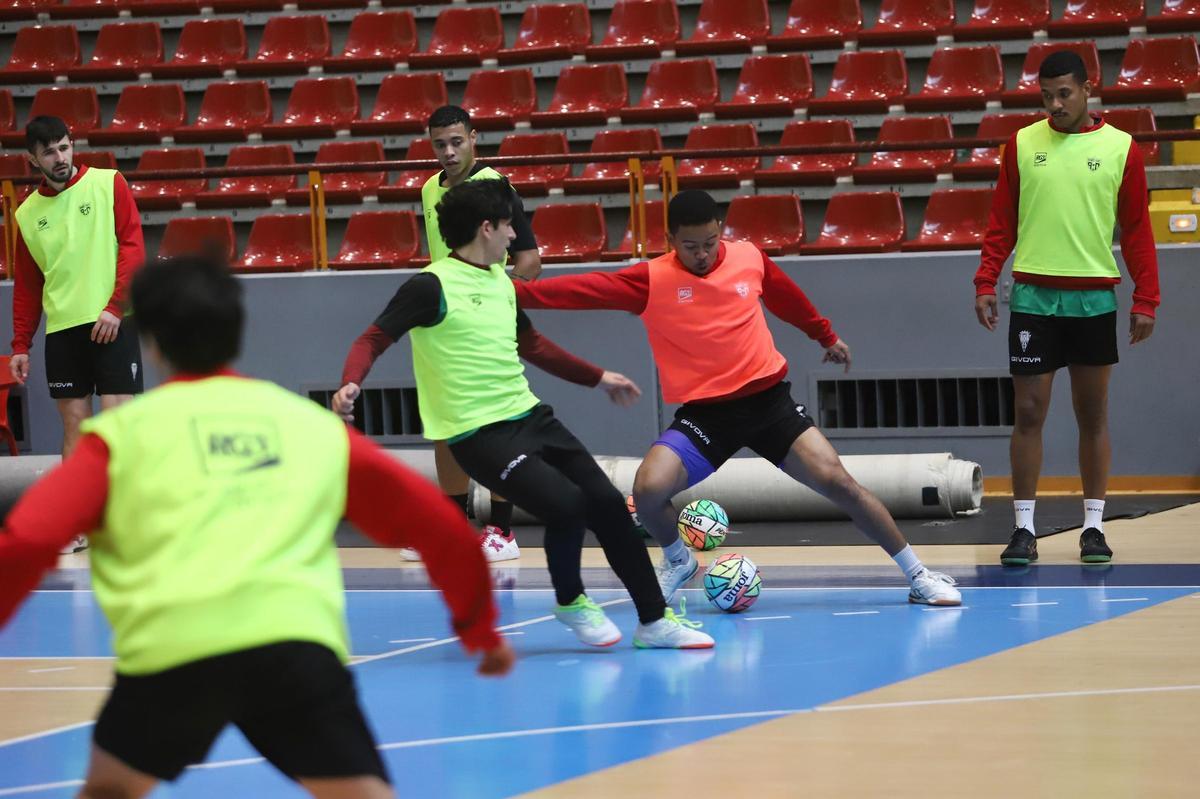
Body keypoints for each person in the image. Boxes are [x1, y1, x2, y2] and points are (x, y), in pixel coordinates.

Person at [0, 253, 514, 797]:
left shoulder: (119, 439)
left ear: (149, 340)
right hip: (292, 651)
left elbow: (27, 540)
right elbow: (437, 524)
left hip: (172, 655)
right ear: (238, 332)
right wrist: (478, 627)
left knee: (109, 789)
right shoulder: (307, 427)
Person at [515, 190, 962, 608]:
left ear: (721, 229)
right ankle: (678, 559)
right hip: (706, 417)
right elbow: (577, 291)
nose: (703, 254)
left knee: (839, 482)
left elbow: (788, 298)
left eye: (710, 242)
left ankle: (918, 575)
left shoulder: (749, 257)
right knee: (648, 490)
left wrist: (824, 335)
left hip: (770, 406)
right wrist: (513, 291)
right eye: (691, 246)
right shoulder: (649, 280)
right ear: (670, 239)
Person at [333, 179, 714, 649]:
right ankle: (572, 602)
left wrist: (598, 377)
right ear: (486, 227)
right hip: (477, 433)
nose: (516, 237)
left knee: (609, 506)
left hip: (529, 416)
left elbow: (532, 345)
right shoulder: (430, 286)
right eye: (510, 226)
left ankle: (653, 622)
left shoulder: (501, 283)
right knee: (566, 506)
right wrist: (352, 380)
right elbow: (372, 338)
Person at [974, 51, 1159, 566]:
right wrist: (985, 279)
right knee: (1029, 412)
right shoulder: (1022, 143)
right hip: (1033, 297)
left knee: (1092, 414)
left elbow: (1138, 231)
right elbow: (1001, 221)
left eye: (1064, 94)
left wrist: (1147, 296)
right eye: (1046, 96)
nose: (1054, 105)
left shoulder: (1122, 148)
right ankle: (1024, 529)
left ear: (1087, 88)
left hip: (1095, 297)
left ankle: (1094, 528)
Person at [10, 115, 146, 555]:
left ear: (73, 145)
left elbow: (132, 245)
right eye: (49, 151)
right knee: (75, 427)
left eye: (65, 147)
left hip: (112, 321)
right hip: (63, 329)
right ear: (32, 159)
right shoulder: (26, 214)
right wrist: (20, 344)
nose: (60, 157)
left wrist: (115, 307)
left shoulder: (109, 183)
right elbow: (29, 285)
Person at [412, 105, 542, 559]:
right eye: (439, 145)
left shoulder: (496, 186)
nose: (448, 152)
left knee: (496, 425)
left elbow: (529, 261)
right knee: (446, 427)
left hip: (486, 326)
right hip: (443, 327)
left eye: (456, 142)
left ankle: (502, 532)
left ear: (473, 138)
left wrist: (495, 300)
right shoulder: (429, 189)